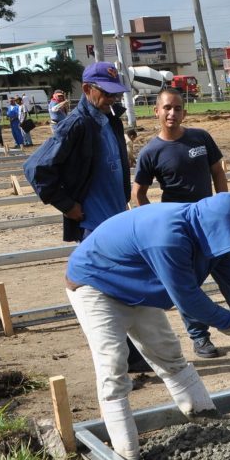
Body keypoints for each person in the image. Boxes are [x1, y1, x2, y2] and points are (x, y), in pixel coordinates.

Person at [67, 193, 230, 460]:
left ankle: (204, 415)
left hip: (138, 282)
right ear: (213, 229)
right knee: (113, 365)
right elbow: (188, 299)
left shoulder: (210, 233)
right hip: (96, 285)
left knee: (168, 354)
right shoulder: (168, 238)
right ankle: (128, 457)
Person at [23, 62, 152, 374]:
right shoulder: (76, 125)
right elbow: (36, 169)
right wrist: (67, 205)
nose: (110, 98)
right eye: (105, 93)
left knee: (120, 285)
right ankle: (124, 359)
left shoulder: (110, 120)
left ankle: (131, 355)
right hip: (94, 223)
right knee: (107, 289)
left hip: (116, 217)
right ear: (87, 89)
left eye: (114, 93)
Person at [133, 87, 230, 357]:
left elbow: (217, 173)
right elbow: (138, 193)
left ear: (184, 111)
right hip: (180, 233)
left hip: (212, 227)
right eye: (167, 108)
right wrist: (154, 225)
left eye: (177, 108)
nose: (172, 113)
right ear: (156, 111)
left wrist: (222, 209)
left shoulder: (200, 138)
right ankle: (200, 338)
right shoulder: (150, 152)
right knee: (187, 284)